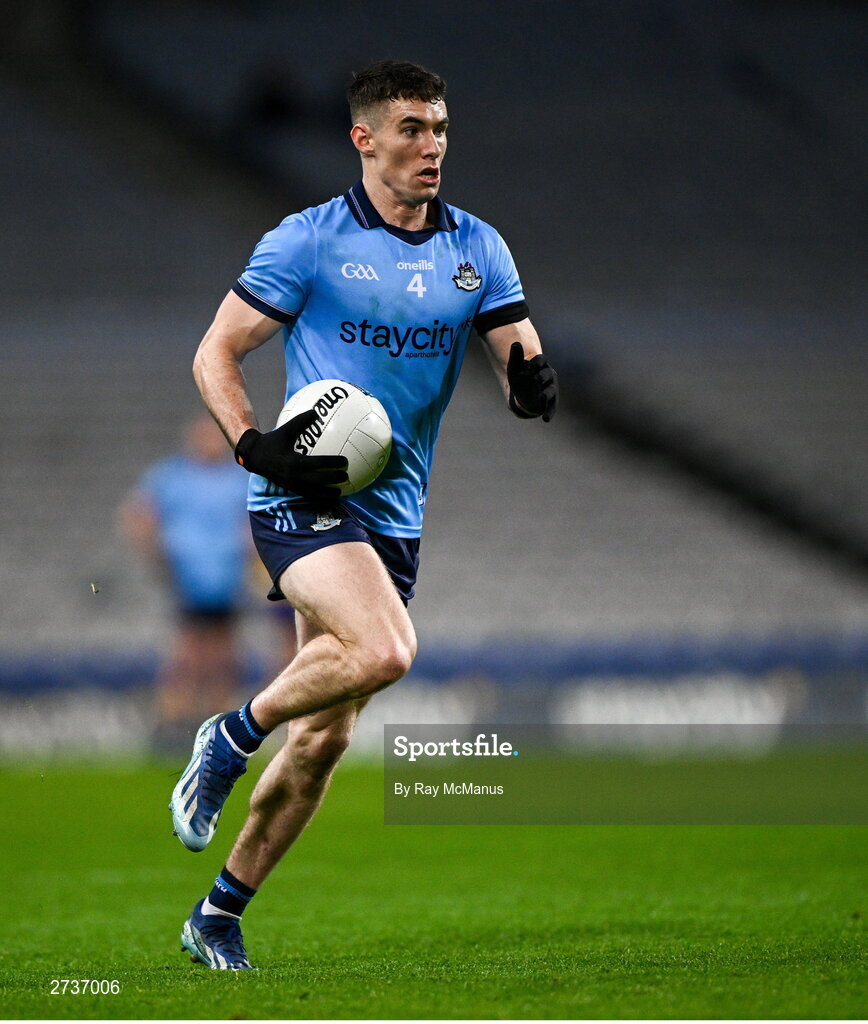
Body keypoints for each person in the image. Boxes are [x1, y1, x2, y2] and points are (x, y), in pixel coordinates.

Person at [171, 59, 558, 971]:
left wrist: (533, 386)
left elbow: (518, 361)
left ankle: (217, 916)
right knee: (386, 650)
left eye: (441, 129)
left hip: (394, 513)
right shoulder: (307, 241)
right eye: (414, 129)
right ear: (365, 138)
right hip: (304, 492)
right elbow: (216, 349)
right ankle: (225, 737)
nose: (433, 147)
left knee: (327, 738)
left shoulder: (479, 249)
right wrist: (249, 442)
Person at [120, 415, 251, 752]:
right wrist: (158, 553)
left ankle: (216, 726)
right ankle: (173, 725)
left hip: (226, 580)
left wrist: (251, 559)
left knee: (224, 655)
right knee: (187, 656)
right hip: (188, 580)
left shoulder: (238, 479)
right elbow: (138, 514)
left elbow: (251, 524)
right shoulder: (173, 475)